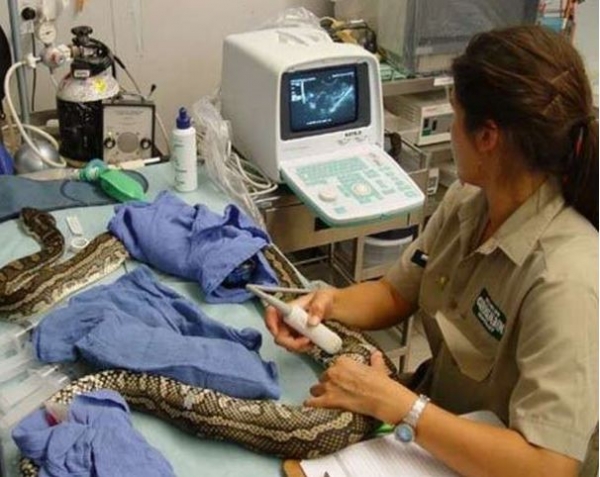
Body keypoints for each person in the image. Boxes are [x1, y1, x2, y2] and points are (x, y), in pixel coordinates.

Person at [266, 25, 598, 477]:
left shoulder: (566, 279)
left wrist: (399, 405)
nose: (452, 131)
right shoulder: (469, 202)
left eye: (455, 116)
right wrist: (324, 304)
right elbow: (395, 293)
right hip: (436, 433)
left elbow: (549, 466)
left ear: (488, 137)